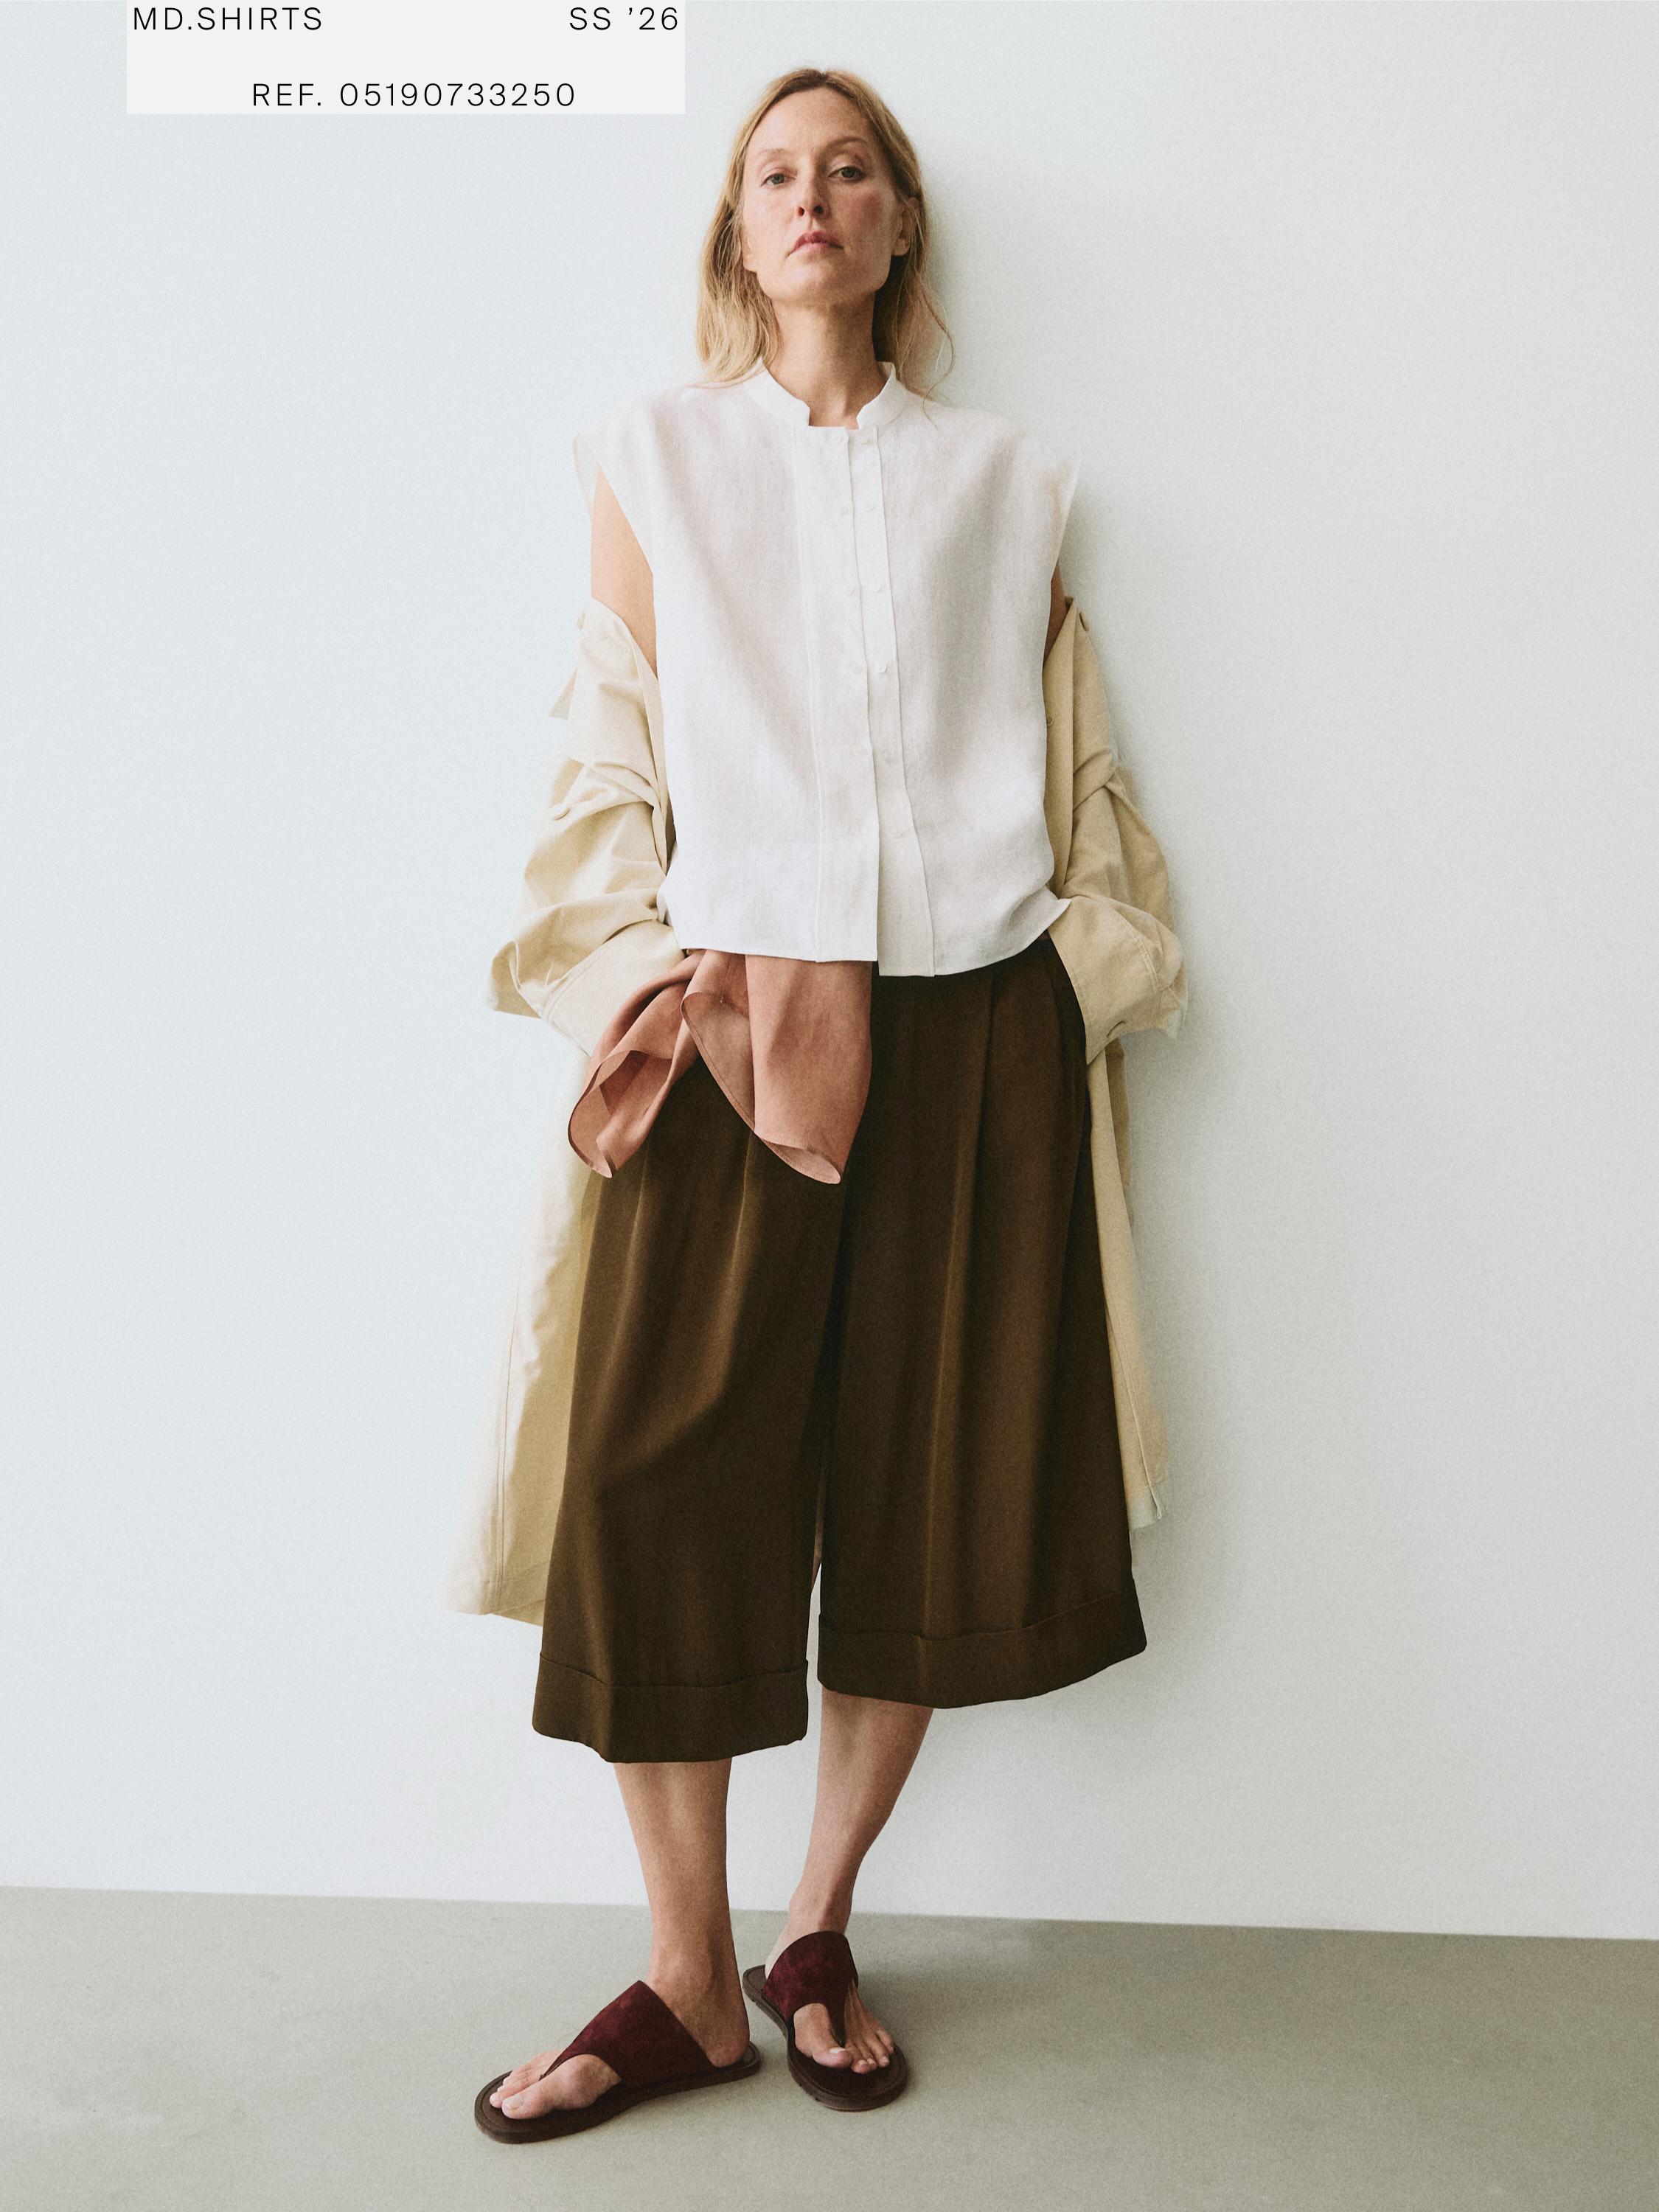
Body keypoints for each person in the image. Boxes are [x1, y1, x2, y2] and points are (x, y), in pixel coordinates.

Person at [472, 66, 1185, 2143]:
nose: (811, 199)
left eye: (847, 169)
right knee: (650, 1483)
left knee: (930, 1484)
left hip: (972, 1032)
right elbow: (600, 752)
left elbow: (1080, 775)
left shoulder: (1010, 479)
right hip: (726, 1033)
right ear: (734, 230)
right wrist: (644, 984)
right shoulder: (651, 459)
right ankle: (685, 1977)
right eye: (773, 172)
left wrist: (1060, 987)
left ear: (896, 231)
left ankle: (810, 1930)